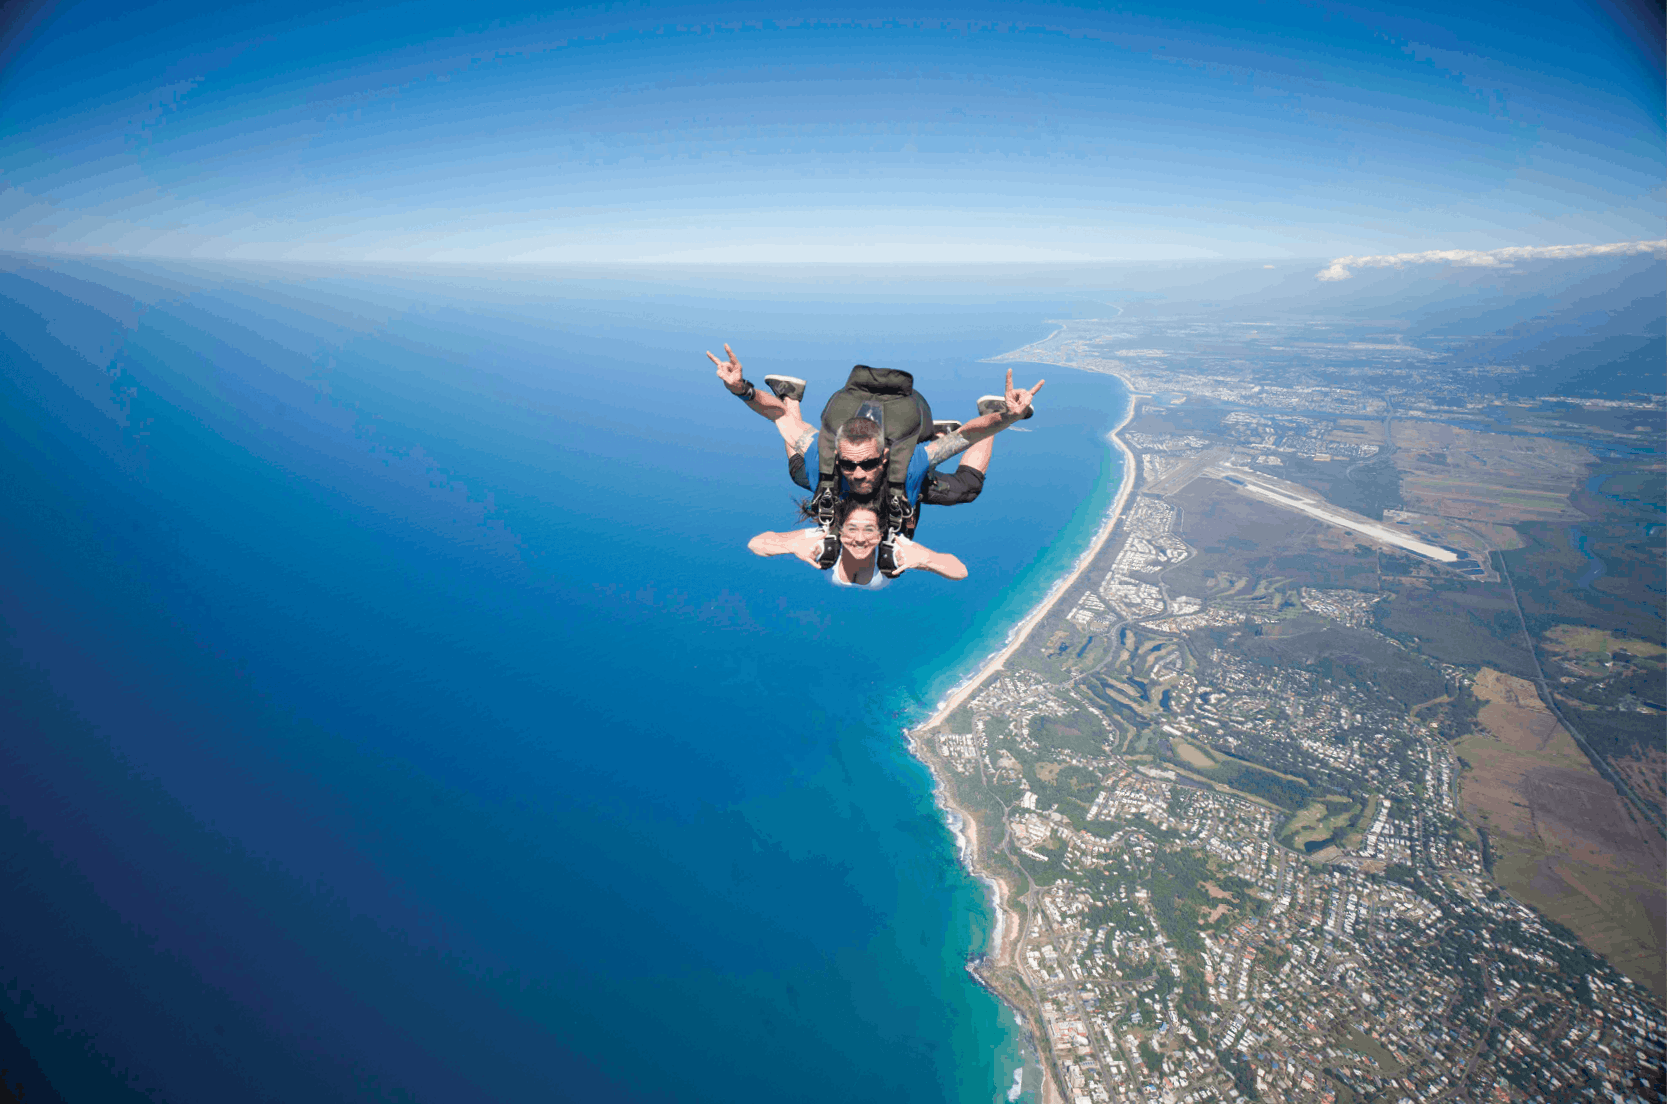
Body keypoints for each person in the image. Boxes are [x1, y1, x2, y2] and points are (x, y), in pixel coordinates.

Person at [706, 344, 1043, 520]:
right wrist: (742, 389)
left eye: (866, 464)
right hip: (881, 466)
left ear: (884, 456)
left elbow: (966, 436)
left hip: (905, 459)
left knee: (968, 490)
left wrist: (1003, 417)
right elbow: (779, 417)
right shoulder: (823, 460)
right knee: (800, 470)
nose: (857, 473)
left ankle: (988, 410)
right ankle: (790, 391)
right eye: (849, 464)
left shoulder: (908, 463)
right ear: (837, 455)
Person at [747, 499, 967, 587]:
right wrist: (792, 544)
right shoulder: (823, 538)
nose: (860, 539)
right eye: (852, 530)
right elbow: (757, 543)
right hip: (884, 499)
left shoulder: (896, 547)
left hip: (865, 497)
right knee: (966, 489)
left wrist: (925, 558)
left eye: (869, 531)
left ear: (881, 534)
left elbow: (960, 571)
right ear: (840, 532)